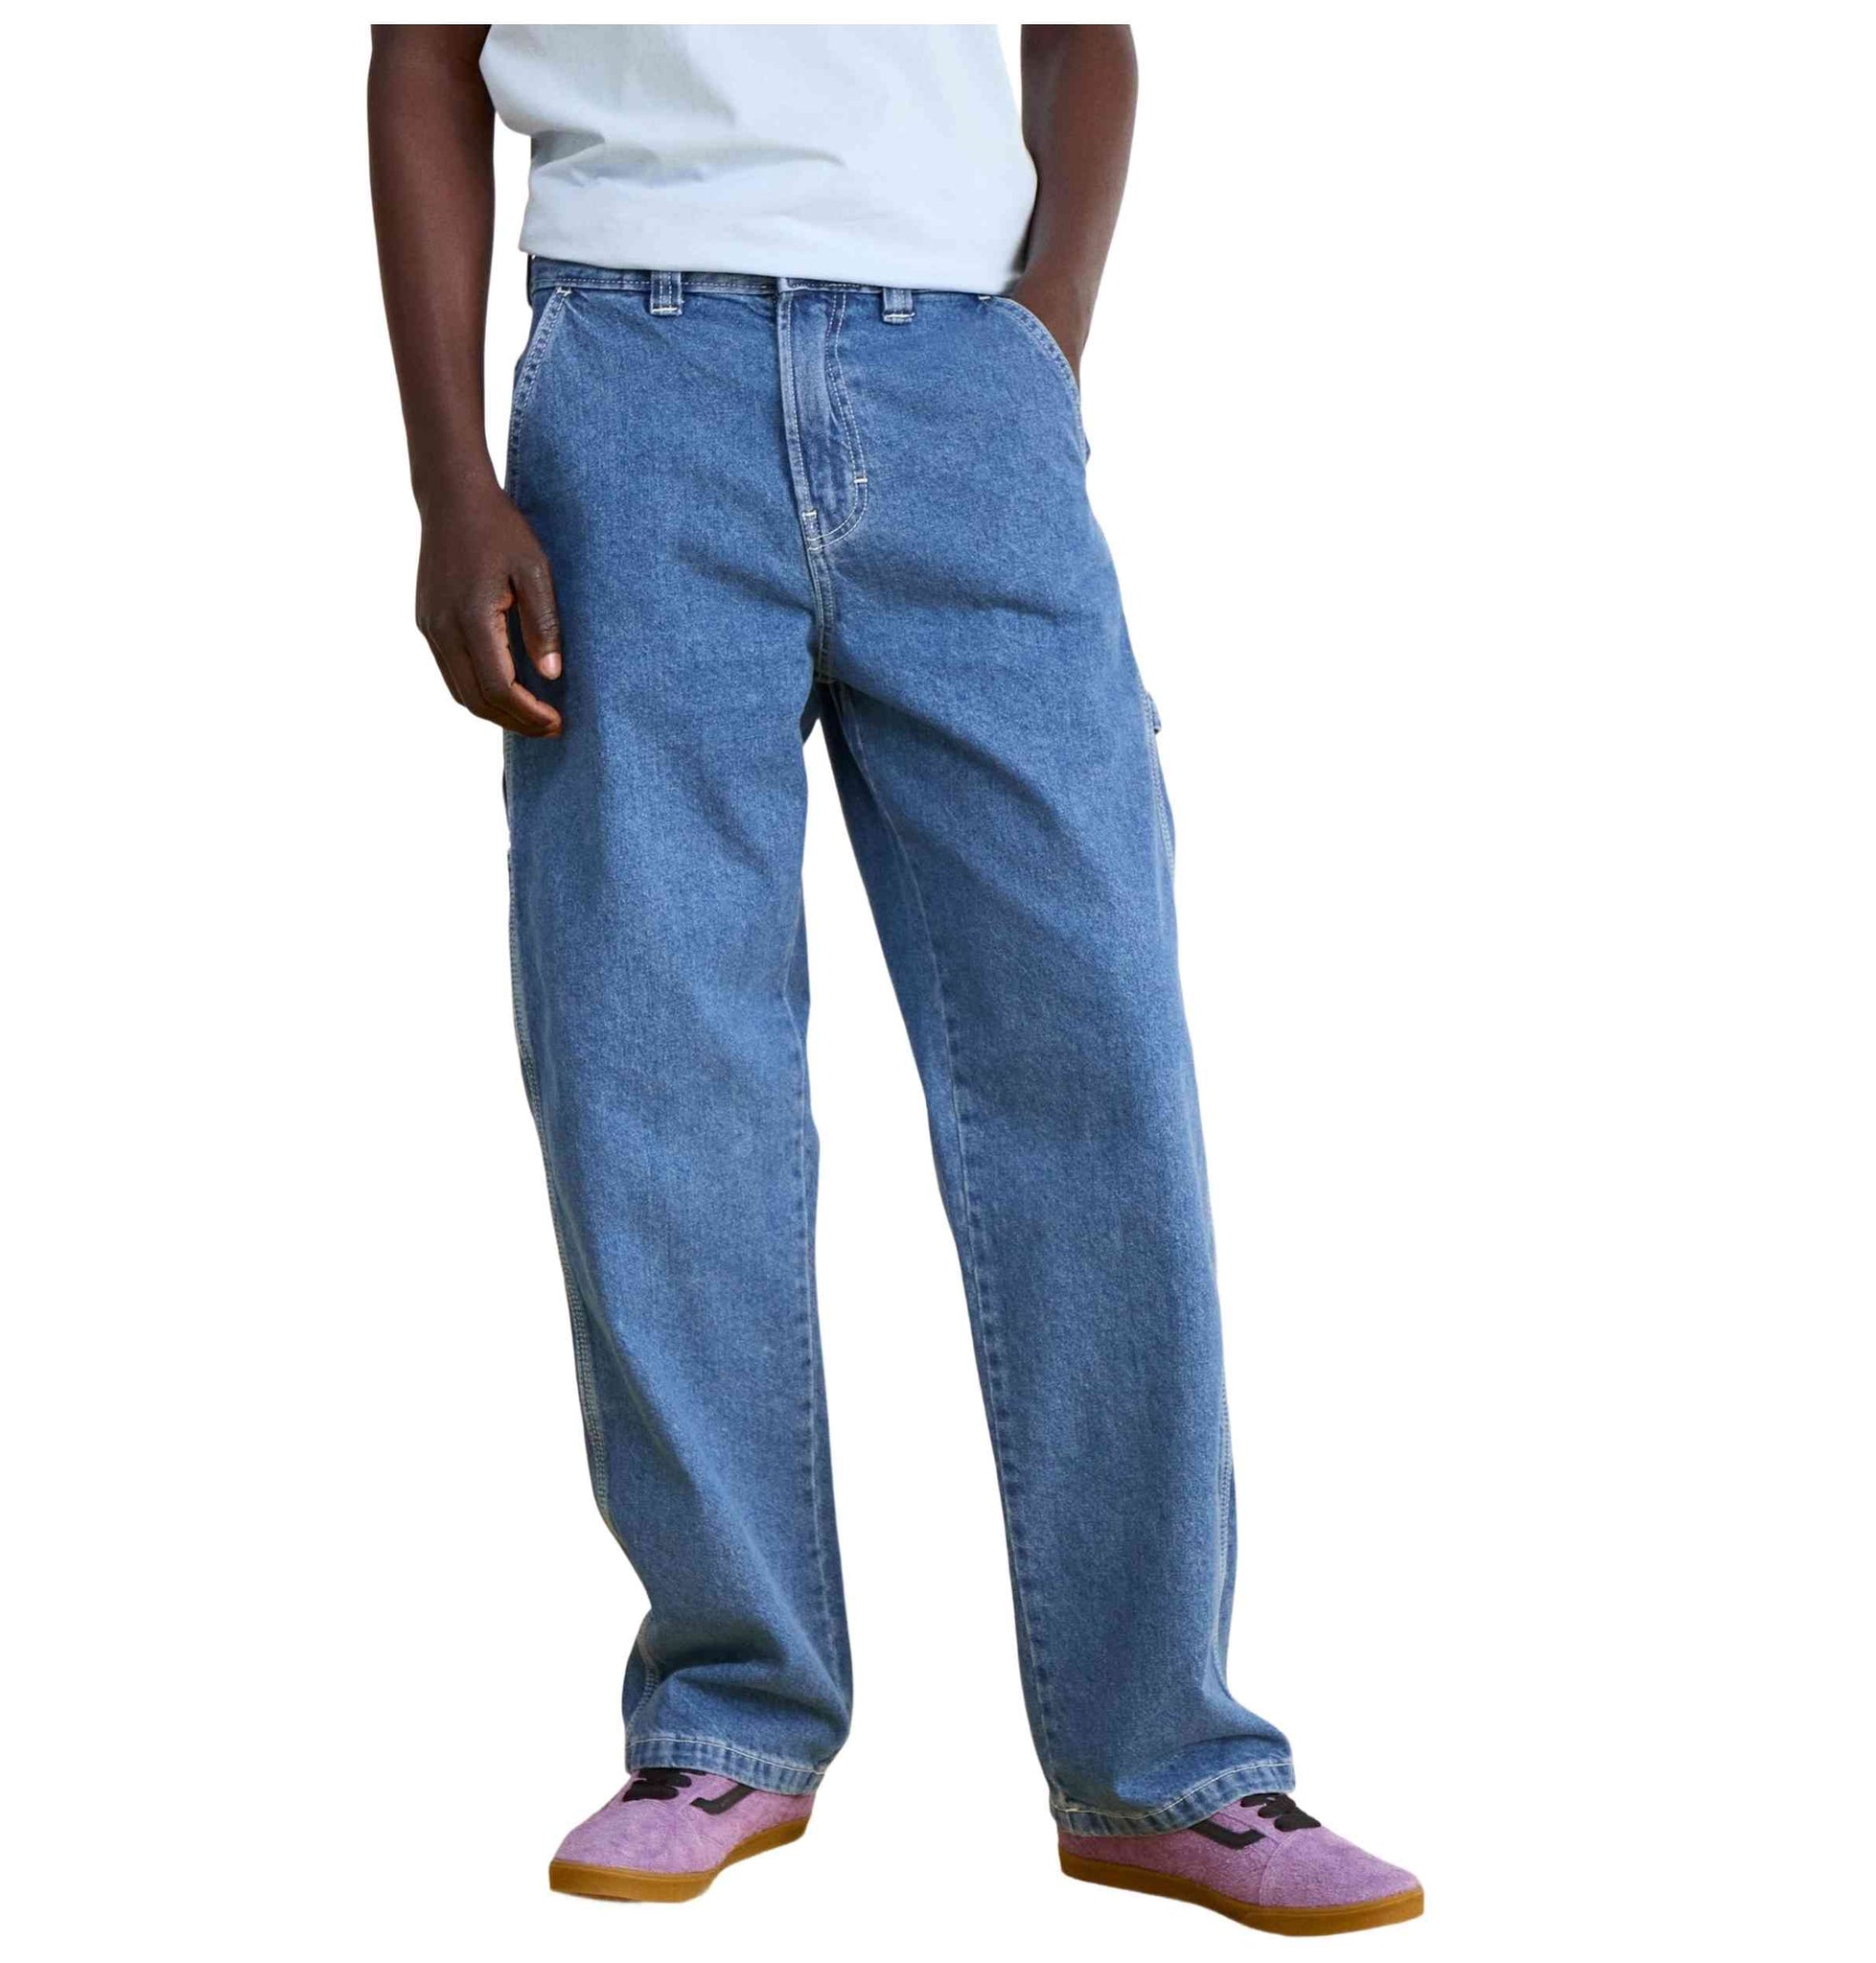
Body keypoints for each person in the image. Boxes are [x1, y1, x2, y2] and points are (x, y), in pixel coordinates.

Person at [368, 24, 1420, 1936]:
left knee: (1095, 1060)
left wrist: (1040, 340)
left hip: (965, 380)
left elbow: (1082, 38)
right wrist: (451, 482)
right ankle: (727, 1715)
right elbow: (422, 58)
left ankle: (1163, 1760)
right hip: (631, 376)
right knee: (653, 1062)